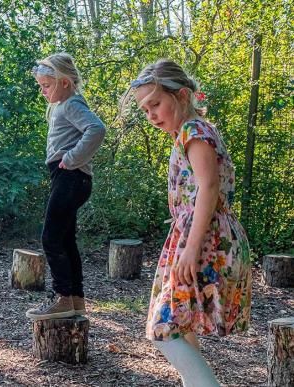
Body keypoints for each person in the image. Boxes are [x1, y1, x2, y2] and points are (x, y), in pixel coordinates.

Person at [121, 59, 252, 387]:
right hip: (197, 237)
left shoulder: (194, 130)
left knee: (164, 328)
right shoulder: (190, 131)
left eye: (155, 104)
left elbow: (209, 186)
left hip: (207, 242)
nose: (150, 115)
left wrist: (191, 248)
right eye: (144, 109)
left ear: (181, 96)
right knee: (179, 326)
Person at [26, 53, 105, 321]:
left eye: (46, 85)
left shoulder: (71, 104)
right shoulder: (61, 105)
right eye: (41, 85)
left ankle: (61, 296)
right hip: (68, 179)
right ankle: (75, 300)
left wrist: (71, 159)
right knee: (66, 239)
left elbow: (96, 129)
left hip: (71, 178)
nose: (43, 90)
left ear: (64, 82)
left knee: (50, 237)